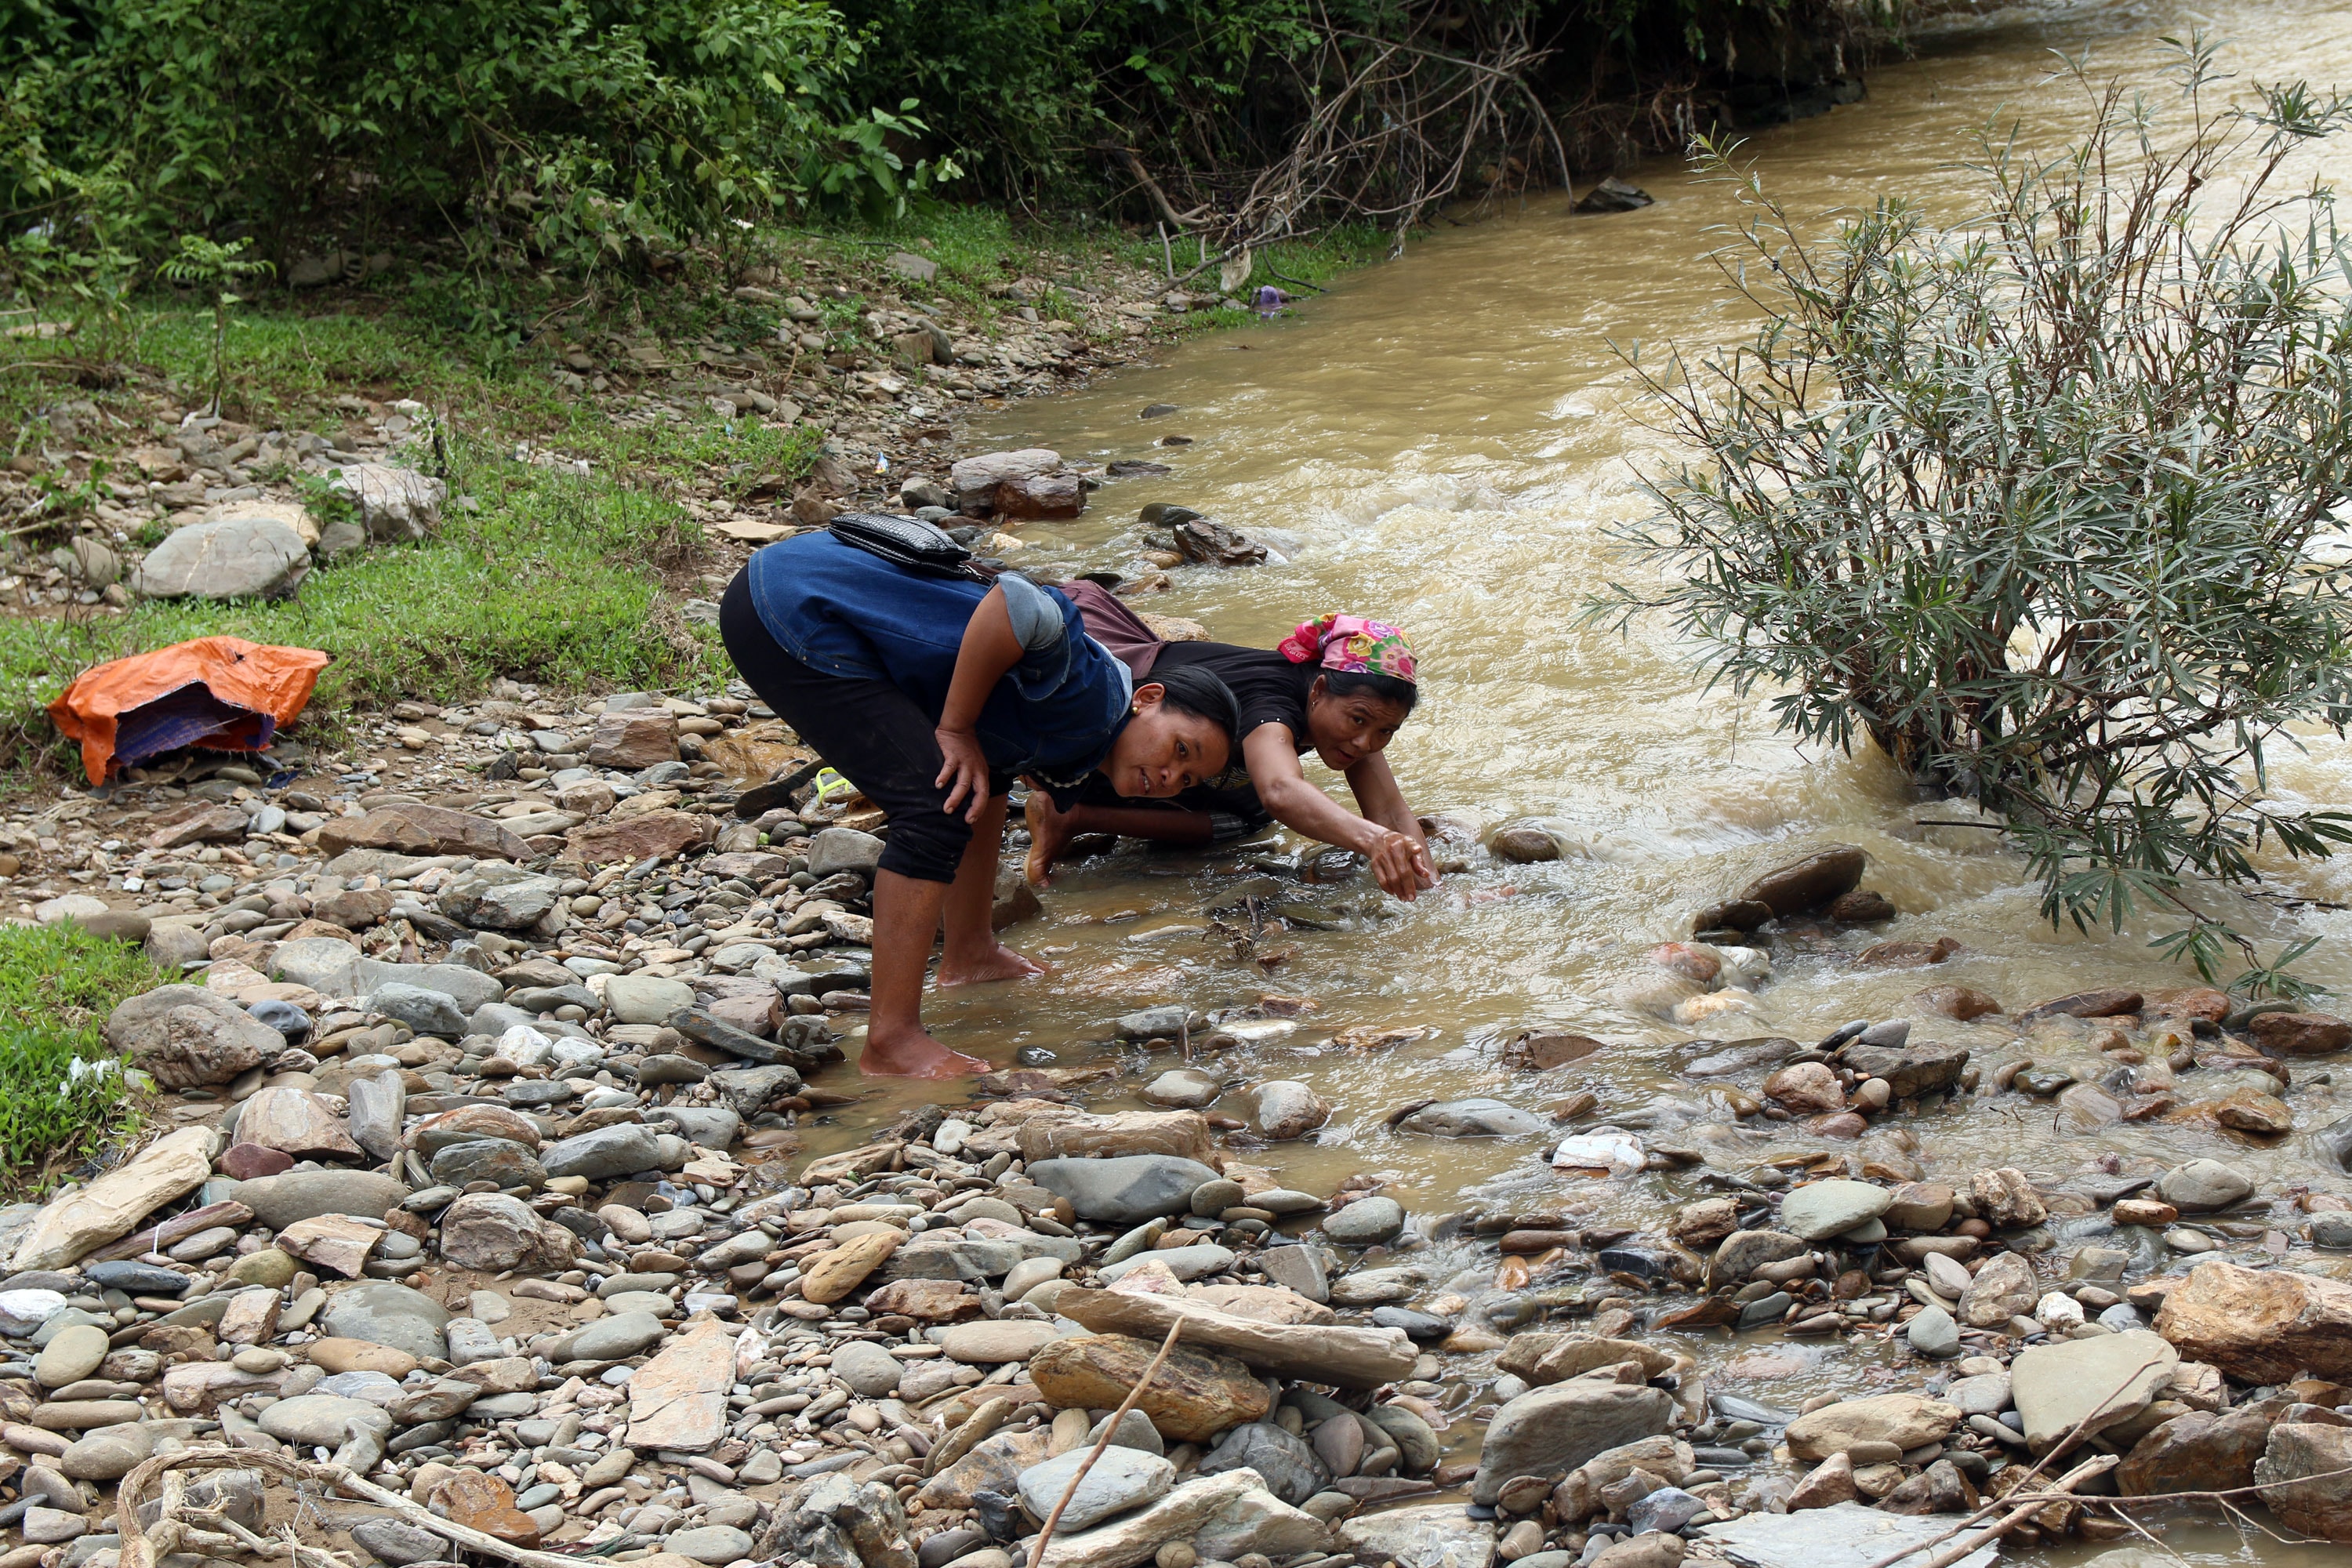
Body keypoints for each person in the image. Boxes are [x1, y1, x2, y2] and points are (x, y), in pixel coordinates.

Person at [719, 532, 1242, 1079]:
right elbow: (1019, 601)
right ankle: (891, 1041)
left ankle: (970, 955)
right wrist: (956, 725)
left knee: (983, 776)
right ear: (1149, 698)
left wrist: (970, 735)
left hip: (790, 589)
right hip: (788, 608)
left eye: (1187, 780)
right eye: (1181, 749)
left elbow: (992, 777)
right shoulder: (1089, 694)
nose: (1169, 776)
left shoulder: (1091, 737)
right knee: (933, 806)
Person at [1027, 588, 1436, 900]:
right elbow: (1280, 790)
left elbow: (1388, 811)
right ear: (1320, 688)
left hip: (1174, 763)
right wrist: (1373, 841)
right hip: (1117, 745)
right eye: (1359, 720)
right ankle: (1072, 810)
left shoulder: (1351, 722)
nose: (1366, 741)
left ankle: (1078, 814)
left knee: (1246, 817)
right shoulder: (1272, 697)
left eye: (1386, 731)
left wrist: (1433, 891)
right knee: (1256, 813)